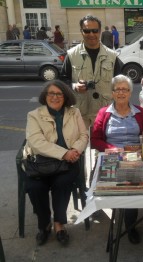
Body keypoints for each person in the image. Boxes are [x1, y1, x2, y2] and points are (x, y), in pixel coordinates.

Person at [91, 74, 143, 244]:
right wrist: (113, 149)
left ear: (130, 92)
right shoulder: (104, 113)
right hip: (112, 156)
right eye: (117, 89)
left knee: (133, 185)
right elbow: (95, 139)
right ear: (112, 93)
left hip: (135, 156)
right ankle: (126, 219)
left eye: (124, 89)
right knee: (122, 184)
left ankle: (130, 225)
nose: (121, 92)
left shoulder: (139, 112)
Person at [23, 79, 89, 246]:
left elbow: (83, 136)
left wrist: (74, 150)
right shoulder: (34, 115)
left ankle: (59, 224)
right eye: (51, 93)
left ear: (65, 97)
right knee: (35, 187)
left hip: (67, 164)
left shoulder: (74, 112)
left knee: (63, 182)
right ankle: (44, 224)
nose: (55, 97)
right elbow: (36, 143)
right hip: (40, 164)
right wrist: (64, 153)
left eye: (59, 94)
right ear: (45, 96)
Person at [60, 15, 123, 128]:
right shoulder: (71, 55)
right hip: (79, 114)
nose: (91, 34)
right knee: (80, 145)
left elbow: (120, 84)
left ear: (100, 32)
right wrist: (74, 86)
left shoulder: (112, 56)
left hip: (105, 114)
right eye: (87, 31)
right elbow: (62, 81)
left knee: (103, 145)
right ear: (81, 31)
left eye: (95, 30)